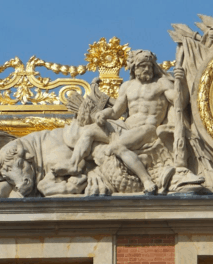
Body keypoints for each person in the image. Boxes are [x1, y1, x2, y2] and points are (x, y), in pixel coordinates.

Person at [52, 50, 187, 194]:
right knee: (89, 131)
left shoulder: (162, 83)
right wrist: (104, 113)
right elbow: (116, 111)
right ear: (134, 68)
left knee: (117, 146)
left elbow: (179, 102)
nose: (147, 69)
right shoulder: (127, 86)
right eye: (142, 66)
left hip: (148, 128)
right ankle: (73, 164)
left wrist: (182, 83)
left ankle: (147, 180)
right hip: (126, 126)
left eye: (149, 66)